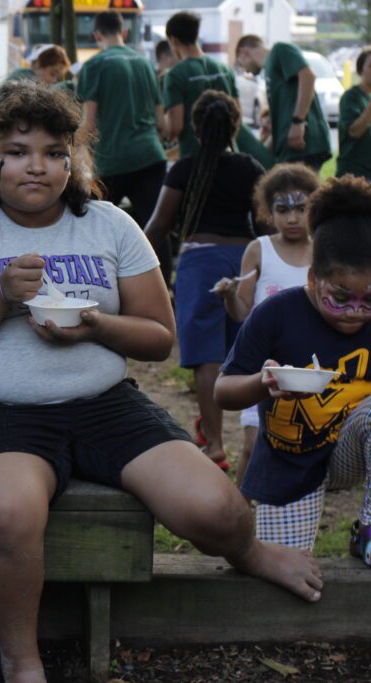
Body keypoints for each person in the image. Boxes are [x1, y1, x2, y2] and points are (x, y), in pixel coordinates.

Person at [0, 80, 324, 683]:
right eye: (20, 150)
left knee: (220, 508)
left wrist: (98, 326)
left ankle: (252, 552)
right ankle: (21, 659)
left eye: (56, 152)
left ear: (73, 160)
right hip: (0, 411)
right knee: (8, 512)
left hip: (105, 405)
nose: (39, 166)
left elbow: (159, 337)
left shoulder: (107, 224)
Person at [215, 175, 371, 564]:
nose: (355, 311)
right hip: (289, 459)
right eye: (340, 298)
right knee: (286, 574)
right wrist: (262, 382)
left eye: (369, 301)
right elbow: (223, 390)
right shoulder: (277, 313)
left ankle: (368, 531)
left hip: (350, 447)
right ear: (313, 279)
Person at [144, 92, 265, 469]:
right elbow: (263, 225)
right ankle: (255, 436)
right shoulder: (250, 167)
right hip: (244, 261)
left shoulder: (184, 168)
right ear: (235, 125)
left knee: (207, 358)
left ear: (195, 127)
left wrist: (134, 266)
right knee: (242, 351)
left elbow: (159, 227)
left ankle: (214, 444)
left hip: (200, 263)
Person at [212, 163, 318, 485]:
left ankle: (284, 510)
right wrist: (229, 295)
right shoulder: (259, 250)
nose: (292, 217)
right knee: (253, 444)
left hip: (312, 368)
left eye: (301, 208)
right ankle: (237, 510)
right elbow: (242, 313)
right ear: (268, 212)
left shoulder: (323, 250)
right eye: (282, 209)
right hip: (264, 366)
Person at [77, 11, 171, 280]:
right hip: (151, 155)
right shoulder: (144, 64)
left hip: (112, 161)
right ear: (124, 32)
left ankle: (97, 282)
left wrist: (70, 147)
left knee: (93, 226)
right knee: (156, 227)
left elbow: (89, 124)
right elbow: (162, 122)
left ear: (97, 36)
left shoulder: (95, 66)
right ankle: (164, 289)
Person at [162, 11, 274, 169]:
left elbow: (175, 127)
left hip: (194, 161)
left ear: (173, 40)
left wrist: (162, 120)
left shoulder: (175, 75)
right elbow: (237, 115)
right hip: (228, 156)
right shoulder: (224, 70)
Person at [236, 35, 332, 171]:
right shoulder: (269, 69)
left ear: (244, 52)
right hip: (288, 148)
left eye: (241, 64)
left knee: (300, 190)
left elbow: (307, 75)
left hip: (303, 144)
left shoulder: (279, 50)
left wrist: (298, 122)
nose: (246, 71)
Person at [337, 47, 371, 181]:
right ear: (360, 69)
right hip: (354, 175)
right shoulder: (351, 97)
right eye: (370, 66)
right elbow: (354, 131)